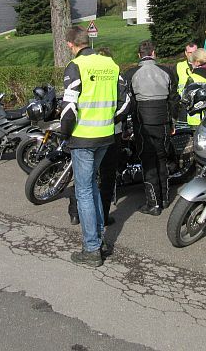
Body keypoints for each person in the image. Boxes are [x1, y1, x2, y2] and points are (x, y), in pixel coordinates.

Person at [61, 26, 128, 267]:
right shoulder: (111, 65)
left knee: (84, 192)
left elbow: (68, 110)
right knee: (92, 186)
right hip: (105, 135)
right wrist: (110, 121)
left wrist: (64, 133)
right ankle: (100, 240)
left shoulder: (76, 66)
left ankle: (91, 250)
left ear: (71, 44)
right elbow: (125, 102)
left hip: (82, 138)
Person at [67, 47, 129, 228]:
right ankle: (100, 217)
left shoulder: (88, 69)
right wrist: (111, 118)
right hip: (110, 133)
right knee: (104, 179)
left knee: (85, 180)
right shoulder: (114, 72)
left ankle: (77, 212)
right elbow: (126, 103)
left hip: (85, 133)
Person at [124, 40, 179, 216]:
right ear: (154, 53)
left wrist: (126, 125)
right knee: (161, 159)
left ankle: (153, 204)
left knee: (148, 161)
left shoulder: (131, 73)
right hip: (163, 121)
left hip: (143, 123)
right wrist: (172, 122)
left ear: (139, 55)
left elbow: (128, 103)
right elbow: (173, 100)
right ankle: (164, 198)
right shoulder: (167, 71)